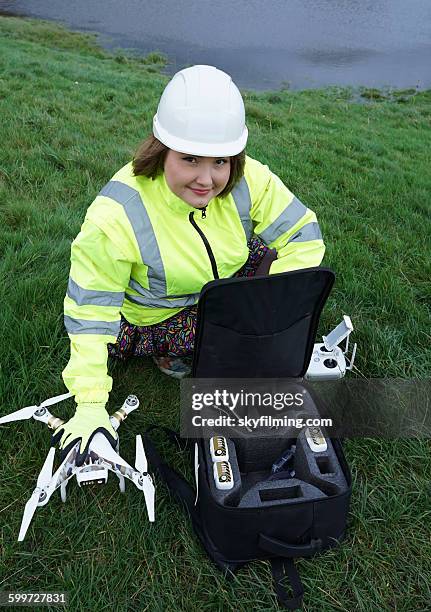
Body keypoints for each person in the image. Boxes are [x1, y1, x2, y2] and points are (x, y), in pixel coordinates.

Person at [52, 65, 325, 465]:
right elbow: (90, 314)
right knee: (219, 338)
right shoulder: (115, 217)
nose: (207, 179)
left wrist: (269, 308)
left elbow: (303, 235)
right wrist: (91, 403)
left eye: (220, 162)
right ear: (161, 149)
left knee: (269, 265)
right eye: (191, 159)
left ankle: (227, 324)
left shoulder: (248, 178)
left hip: (218, 277)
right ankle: (172, 354)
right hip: (153, 315)